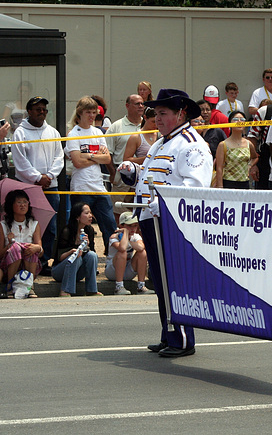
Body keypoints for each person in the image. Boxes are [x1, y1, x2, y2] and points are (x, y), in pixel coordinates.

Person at [118, 88, 213, 358]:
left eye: (162, 113)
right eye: (155, 114)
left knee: (174, 281)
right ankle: (169, 333)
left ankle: (182, 339)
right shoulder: (162, 142)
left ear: (181, 113)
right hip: (152, 219)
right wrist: (132, 172)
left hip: (172, 222)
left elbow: (193, 189)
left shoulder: (192, 144)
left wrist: (160, 205)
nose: (156, 118)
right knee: (161, 281)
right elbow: (150, 179)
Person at [11, 96, 64, 274]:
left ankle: (43, 260)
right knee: (29, 225)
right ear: (29, 112)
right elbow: (20, 162)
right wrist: (36, 178)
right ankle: (27, 261)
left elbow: (59, 157)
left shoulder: (53, 132)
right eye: (38, 109)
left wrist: (49, 176)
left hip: (51, 186)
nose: (42, 112)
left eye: (44, 110)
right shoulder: (20, 133)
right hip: (28, 187)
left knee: (50, 226)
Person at [65, 96, 117, 252]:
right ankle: (83, 256)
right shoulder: (73, 134)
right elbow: (77, 162)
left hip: (99, 186)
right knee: (80, 226)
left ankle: (113, 258)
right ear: (80, 113)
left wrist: (89, 155)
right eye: (88, 112)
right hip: (81, 187)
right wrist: (97, 158)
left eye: (94, 113)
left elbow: (107, 158)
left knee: (109, 225)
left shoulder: (97, 132)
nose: (92, 116)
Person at [0, 190, 43, 298]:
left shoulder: (34, 224)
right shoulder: (3, 225)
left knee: (32, 248)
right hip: (8, 266)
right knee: (16, 248)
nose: (23, 205)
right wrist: (9, 246)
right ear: (11, 205)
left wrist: (37, 248)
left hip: (29, 264)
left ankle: (29, 286)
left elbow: (41, 251)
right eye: (19, 202)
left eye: (25, 202)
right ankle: (10, 286)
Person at [106, 94, 144, 225]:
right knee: (120, 216)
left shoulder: (148, 126)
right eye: (137, 104)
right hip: (121, 177)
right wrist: (113, 174)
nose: (140, 106)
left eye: (142, 103)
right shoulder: (116, 127)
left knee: (141, 216)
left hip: (142, 177)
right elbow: (107, 153)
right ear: (127, 106)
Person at [52, 202, 102, 297]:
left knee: (92, 255)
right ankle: (65, 290)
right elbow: (59, 257)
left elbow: (91, 255)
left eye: (90, 213)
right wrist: (71, 251)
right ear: (77, 217)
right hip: (60, 271)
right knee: (75, 257)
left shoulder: (89, 230)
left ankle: (92, 290)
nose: (90, 216)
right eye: (86, 213)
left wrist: (87, 246)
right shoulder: (67, 231)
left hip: (77, 271)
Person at [106, 211, 153, 295]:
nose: (133, 229)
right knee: (122, 253)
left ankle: (141, 286)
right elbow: (122, 248)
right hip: (112, 271)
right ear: (121, 226)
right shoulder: (114, 237)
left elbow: (141, 247)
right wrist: (125, 233)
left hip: (127, 269)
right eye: (129, 226)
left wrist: (129, 242)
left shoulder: (136, 236)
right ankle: (119, 287)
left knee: (142, 253)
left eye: (135, 226)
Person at [214, 111, 258, 189]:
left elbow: (255, 157)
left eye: (242, 119)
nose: (239, 122)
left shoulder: (249, 143)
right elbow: (219, 168)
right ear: (230, 123)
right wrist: (220, 187)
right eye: (235, 119)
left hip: (244, 183)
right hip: (228, 183)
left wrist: (249, 166)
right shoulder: (223, 144)